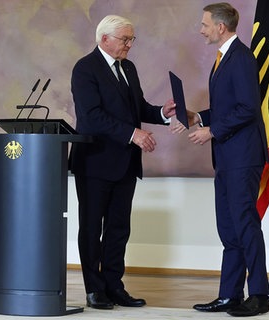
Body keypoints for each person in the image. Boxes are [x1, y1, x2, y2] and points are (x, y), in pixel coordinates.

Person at [69, 15, 176, 310]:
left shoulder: (128, 67)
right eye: (125, 40)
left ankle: (115, 286)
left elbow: (137, 108)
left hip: (125, 162)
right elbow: (91, 117)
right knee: (92, 228)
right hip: (94, 162)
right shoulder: (85, 68)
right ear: (104, 39)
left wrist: (162, 113)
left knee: (119, 228)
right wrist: (133, 134)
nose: (129, 45)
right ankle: (95, 289)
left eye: (131, 40)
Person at [184, 3, 269, 317]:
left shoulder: (242, 58)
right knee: (229, 229)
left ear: (221, 26)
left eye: (205, 24)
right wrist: (198, 118)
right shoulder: (224, 58)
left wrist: (211, 132)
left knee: (246, 225)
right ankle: (229, 296)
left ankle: (259, 295)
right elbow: (228, 106)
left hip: (242, 156)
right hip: (227, 155)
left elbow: (249, 108)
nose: (201, 29)